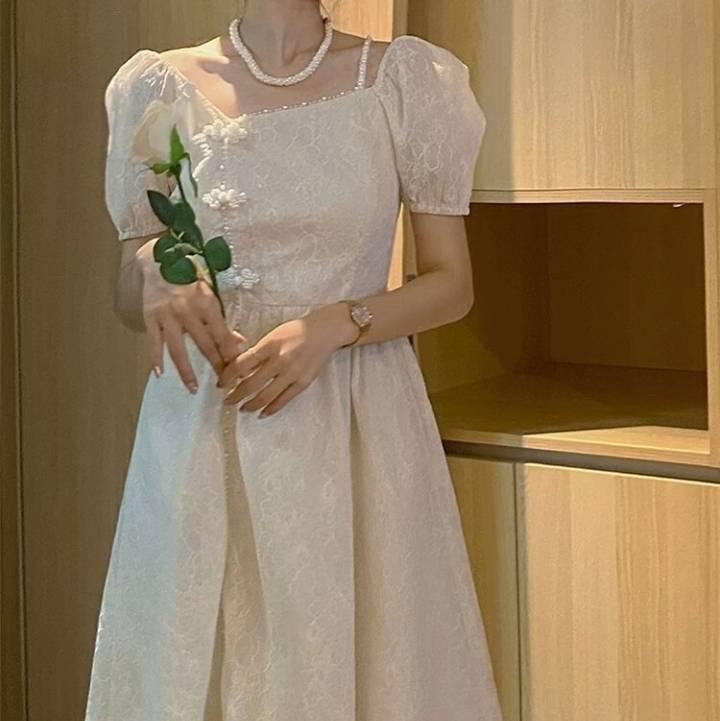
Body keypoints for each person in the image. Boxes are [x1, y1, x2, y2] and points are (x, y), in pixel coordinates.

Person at [85, 0, 502, 719]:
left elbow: (451, 284)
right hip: (204, 426)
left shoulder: (399, 79)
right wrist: (151, 268)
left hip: (352, 419)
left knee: (362, 657)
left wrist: (337, 324)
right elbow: (130, 297)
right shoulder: (158, 87)